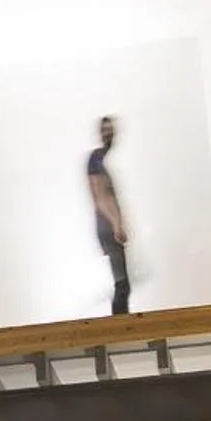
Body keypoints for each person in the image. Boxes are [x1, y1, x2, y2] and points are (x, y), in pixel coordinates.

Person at [86, 115, 131, 315]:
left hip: (109, 225)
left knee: (122, 284)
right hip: (107, 226)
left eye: (110, 129)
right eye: (105, 129)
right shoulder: (96, 158)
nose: (108, 133)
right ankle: (119, 331)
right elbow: (100, 197)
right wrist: (115, 224)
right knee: (122, 284)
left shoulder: (104, 159)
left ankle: (121, 327)